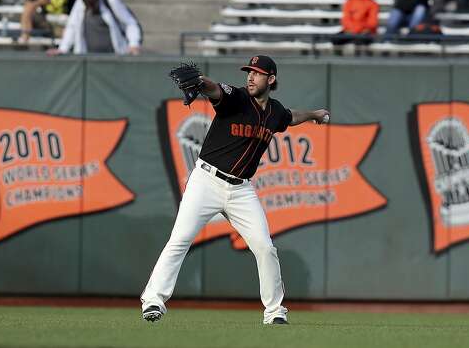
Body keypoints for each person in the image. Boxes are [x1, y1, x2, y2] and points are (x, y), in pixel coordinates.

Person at [141, 55, 331, 325]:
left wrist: (313, 115)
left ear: (271, 79)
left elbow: (290, 117)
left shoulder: (275, 112)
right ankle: (153, 300)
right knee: (180, 239)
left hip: (241, 190)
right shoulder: (238, 98)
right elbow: (215, 89)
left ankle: (275, 311)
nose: (251, 77)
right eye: (249, 72)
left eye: (257, 73)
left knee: (265, 247)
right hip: (206, 180)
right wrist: (199, 81)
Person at [47, 0, 142, 55]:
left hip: (114, 55)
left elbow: (130, 22)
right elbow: (72, 27)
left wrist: (134, 43)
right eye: (88, 5)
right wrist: (63, 49)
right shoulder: (80, 4)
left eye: (93, 5)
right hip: (90, 59)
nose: (91, 8)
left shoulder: (109, 1)